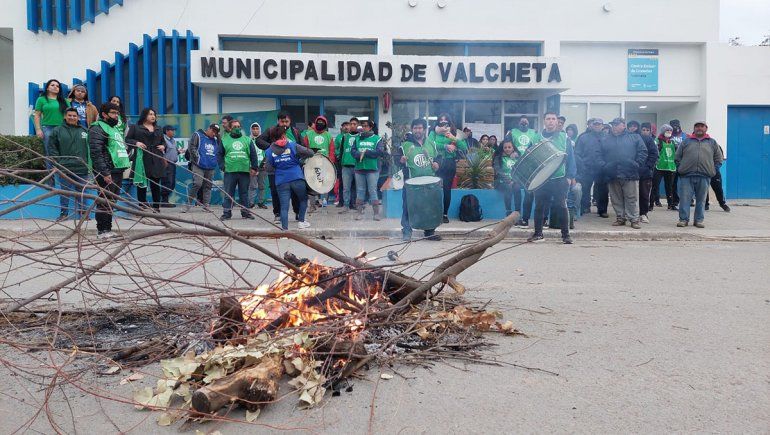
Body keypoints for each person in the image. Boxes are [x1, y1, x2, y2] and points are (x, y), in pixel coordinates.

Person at [526, 112, 576, 244]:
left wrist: (570, 176)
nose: (551, 121)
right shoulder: (535, 138)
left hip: (560, 178)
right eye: (548, 119)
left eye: (553, 119)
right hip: (541, 179)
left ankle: (566, 235)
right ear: (544, 121)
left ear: (557, 121)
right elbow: (529, 159)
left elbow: (571, 158)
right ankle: (538, 234)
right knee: (539, 207)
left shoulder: (564, 137)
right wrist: (531, 177)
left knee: (561, 205)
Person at [394, 119, 441, 241]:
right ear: (412, 129)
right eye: (415, 128)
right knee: (408, 207)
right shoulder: (405, 145)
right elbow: (396, 160)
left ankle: (429, 232)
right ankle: (407, 232)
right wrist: (401, 161)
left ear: (424, 129)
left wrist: (437, 163)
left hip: (429, 182)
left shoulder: (431, 143)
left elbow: (438, 157)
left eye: (420, 128)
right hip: (411, 183)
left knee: (429, 207)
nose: (417, 130)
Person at [596, 118, 648, 229]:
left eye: (616, 124)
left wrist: (637, 163)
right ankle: (620, 218)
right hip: (612, 173)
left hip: (630, 173)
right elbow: (598, 154)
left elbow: (643, 151)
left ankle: (634, 219)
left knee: (632, 198)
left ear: (623, 125)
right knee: (616, 198)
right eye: (613, 125)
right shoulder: (605, 138)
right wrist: (604, 166)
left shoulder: (634, 137)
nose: (614, 127)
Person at [89, 103, 131, 239]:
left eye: (117, 113)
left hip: (116, 170)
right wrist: (105, 172)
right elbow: (96, 153)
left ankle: (108, 229)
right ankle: (102, 231)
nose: (116, 116)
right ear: (104, 114)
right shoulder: (97, 128)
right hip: (106, 172)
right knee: (104, 201)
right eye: (113, 113)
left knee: (111, 201)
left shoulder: (113, 129)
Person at [255, 112, 302, 222]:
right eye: (282, 121)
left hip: (292, 168)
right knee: (276, 191)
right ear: (278, 121)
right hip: (275, 169)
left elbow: (302, 146)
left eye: (286, 121)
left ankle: (298, 212)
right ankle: (278, 214)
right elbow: (259, 141)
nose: (284, 124)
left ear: (290, 121)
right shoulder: (271, 130)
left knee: (296, 191)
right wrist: (271, 147)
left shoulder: (295, 132)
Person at [675, 121, 723, 228]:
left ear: (706, 128)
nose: (699, 128)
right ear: (694, 128)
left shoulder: (712, 142)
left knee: (701, 200)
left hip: (704, 176)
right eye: (697, 126)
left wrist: (712, 171)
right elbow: (677, 157)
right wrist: (681, 169)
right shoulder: (686, 142)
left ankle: (699, 220)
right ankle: (683, 219)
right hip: (686, 176)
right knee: (684, 199)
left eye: (702, 126)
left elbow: (719, 159)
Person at [265, 126, 314, 230]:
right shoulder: (292, 145)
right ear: (283, 135)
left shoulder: (269, 151)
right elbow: (311, 153)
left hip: (281, 181)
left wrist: (279, 165)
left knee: (284, 207)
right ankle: (301, 222)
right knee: (303, 199)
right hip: (296, 177)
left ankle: (285, 230)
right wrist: (299, 160)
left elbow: (269, 169)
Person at [49, 108, 91, 221]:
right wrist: (58, 164)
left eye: (74, 116)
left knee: (83, 192)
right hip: (65, 168)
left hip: (82, 168)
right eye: (70, 115)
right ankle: (63, 214)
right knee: (64, 193)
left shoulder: (84, 131)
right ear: (65, 116)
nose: (72, 117)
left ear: (78, 117)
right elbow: (52, 149)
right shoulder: (57, 131)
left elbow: (90, 150)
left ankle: (84, 214)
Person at [503, 115, 543, 227]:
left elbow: (537, 146)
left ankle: (525, 219)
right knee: (516, 189)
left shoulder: (534, 133)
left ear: (528, 123)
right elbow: (506, 144)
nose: (524, 123)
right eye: (522, 122)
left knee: (528, 193)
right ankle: (516, 216)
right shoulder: (512, 132)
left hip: (529, 167)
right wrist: (512, 152)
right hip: (517, 166)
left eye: (525, 122)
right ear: (518, 123)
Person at [125, 108, 166, 212]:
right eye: (150, 114)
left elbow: (163, 141)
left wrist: (163, 146)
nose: (153, 116)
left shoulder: (159, 128)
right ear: (144, 116)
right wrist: (136, 143)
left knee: (156, 184)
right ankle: (141, 205)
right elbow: (128, 140)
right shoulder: (135, 127)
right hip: (142, 158)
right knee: (142, 184)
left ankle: (156, 207)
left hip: (156, 158)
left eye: (154, 114)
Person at [429, 113, 468, 223]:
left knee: (447, 190)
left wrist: (454, 139)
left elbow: (464, 147)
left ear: (449, 122)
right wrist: (445, 146)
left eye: (445, 121)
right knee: (434, 189)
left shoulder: (453, 132)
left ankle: (445, 214)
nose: (443, 123)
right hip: (436, 162)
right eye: (441, 120)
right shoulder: (433, 133)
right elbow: (431, 144)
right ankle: (434, 213)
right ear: (437, 122)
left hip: (450, 163)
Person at [217, 119, 258, 220]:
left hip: (244, 171)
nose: (237, 128)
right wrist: (222, 166)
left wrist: (254, 167)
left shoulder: (247, 140)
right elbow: (219, 154)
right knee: (228, 193)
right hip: (230, 171)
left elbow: (253, 154)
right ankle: (226, 213)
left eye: (238, 126)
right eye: (234, 127)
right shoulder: (224, 140)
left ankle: (246, 213)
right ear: (230, 128)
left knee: (244, 193)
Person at [33, 79, 70, 176]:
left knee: (64, 153)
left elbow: (69, 116)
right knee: (49, 154)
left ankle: (64, 178)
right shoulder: (41, 99)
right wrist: (38, 129)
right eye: (52, 85)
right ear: (48, 87)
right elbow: (37, 115)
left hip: (63, 128)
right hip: (48, 128)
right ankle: (51, 180)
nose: (55, 87)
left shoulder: (65, 101)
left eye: (57, 86)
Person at [351, 120, 385, 220]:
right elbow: (353, 152)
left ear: (370, 127)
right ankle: (359, 213)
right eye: (363, 126)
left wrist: (366, 152)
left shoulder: (377, 139)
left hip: (373, 169)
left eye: (366, 126)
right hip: (359, 168)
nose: (364, 127)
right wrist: (359, 154)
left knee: (372, 191)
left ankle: (376, 214)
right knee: (360, 190)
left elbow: (379, 152)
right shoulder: (357, 138)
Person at [182, 124, 220, 212]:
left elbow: (219, 149)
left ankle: (206, 205)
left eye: (216, 132)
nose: (214, 134)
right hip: (198, 165)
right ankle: (187, 204)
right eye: (213, 131)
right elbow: (192, 147)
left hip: (210, 166)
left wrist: (218, 137)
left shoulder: (215, 139)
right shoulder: (198, 135)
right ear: (209, 128)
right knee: (198, 184)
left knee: (208, 186)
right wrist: (197, 158)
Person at [574, 118, 605, 215]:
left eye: (599, 124)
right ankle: (585, 208)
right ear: (591, 125)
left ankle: (602, 210)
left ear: (602, 126)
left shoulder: (607, 137)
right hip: (587, 168)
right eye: (595, 124)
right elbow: (577, 153)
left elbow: (611, 152)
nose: (597, 126)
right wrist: (582, 165)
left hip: (602, 169)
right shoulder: (583, 137)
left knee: (602, 190)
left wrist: (606, 165)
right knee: (585, 189)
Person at [303, 116, 336, 207]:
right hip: (311, 163)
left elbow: (332, 150)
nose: (320, 124)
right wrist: (306, 161)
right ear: (315, 122)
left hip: (325, 163)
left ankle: (324, 201)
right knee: (311, 183)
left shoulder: (328, 135)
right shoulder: (309, 134)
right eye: (318, 122)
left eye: (322, 122)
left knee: (325, 182)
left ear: (325, 124)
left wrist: (331, 162)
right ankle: (313, 205)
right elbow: (304, 148)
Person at [336, 117, 360, 213]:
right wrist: (340, 164)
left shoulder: (360, 136)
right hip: (346, 166)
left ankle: (355, 205)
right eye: (351, 124)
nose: (352, 125)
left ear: (358, 125)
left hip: (357, 165)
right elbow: (341, 151)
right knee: (346, 188)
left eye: (354, 124)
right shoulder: (345, 137)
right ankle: (346, 206)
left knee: (358, 187)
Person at [651, 124, 678, 210]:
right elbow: (654, 152)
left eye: (670, 131)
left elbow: (677, 153)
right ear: (663, 131)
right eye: (667, 131)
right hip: (659, 166)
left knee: (670, 187)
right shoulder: (657, 141)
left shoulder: (673, 142)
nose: (669, 132)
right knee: (655, 186)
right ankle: (650, 205)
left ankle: (671, 204)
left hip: (670, 167)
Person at [638, 122, 659, 223]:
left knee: (644, 194)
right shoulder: (636, 139)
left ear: (650, 131)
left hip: (646, 173)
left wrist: (647, 167)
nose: (645, 132)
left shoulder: (651, 141)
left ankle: (643, 213)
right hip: (634, 172)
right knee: (632, 194)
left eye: (647, 130)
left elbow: (654, 155)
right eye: (643, 130)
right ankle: (632, 213)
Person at [493, 140, 521, 217]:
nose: (507, 149)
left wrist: (514, 181)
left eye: (509, 147)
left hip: (514, 181)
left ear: (513, 148)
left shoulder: (516, 158)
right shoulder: (498, 158)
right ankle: (508, 212)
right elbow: (498, 171)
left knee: (517, 188)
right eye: (505, 147)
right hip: (501, 182)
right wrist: (508, 181)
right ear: (502, 148)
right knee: (508, 188)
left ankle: (517, 213)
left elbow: (520, 172)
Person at [248, 122, 268, 209]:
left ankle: (261, 202)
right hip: (253, 167)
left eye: (257, 129)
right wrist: (250, 166)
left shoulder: (263, 140)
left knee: (262, 186)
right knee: (252, 186)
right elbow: (246, 154)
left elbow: (268, 152)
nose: (255, 130)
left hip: (263, 167)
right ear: (251, 130)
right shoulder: (248, 140)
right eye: (253, 129)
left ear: (259, 130)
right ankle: (251, 203)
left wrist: (265, 163)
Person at [668, 119, 688, 207]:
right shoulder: (668, 136)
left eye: (677, 125)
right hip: (672, 163)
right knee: (673, 184)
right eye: (673, 125)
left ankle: (688, 199)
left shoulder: (685, 136)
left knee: (686, 183)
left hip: (684, 163)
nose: (675, 127)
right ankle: (675, 200)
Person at [705, 144, 730, 212]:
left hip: (714, 172)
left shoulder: (716, 146)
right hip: (704, 171)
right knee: (703, 188)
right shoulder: (700, 146)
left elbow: (720, 159)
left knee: (718, 188)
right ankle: (705, 204)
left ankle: (722, 204)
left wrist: (714, 169)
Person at [160, 125, 179, 207]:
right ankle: (164, 201)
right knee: (167, 182)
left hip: (173, 164)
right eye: (172, 130)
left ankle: (165, 201)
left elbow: (172, 150)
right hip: (166, 164)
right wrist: (164, 161)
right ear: (167, 131)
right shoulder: (163, 140)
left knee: (172, 184)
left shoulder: (173, 140)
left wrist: (178, 152)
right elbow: (160, 152)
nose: (174, 132)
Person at [334, 122, 350, 207]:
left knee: (352, 183)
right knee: (341, 182)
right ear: (342, 127)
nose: (346, 127)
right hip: (341, 162)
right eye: (344, 126)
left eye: (347, 125)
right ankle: (341, 201)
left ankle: (352, 202)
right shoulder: (339, 137)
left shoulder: (353, 136)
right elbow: (335, 148)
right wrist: (339, 154)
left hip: (351, 162)